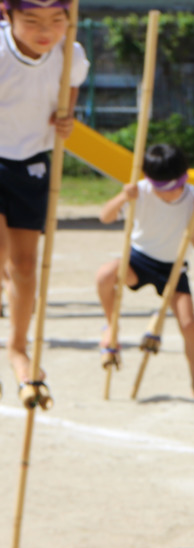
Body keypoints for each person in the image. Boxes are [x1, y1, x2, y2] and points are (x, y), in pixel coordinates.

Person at [0, 0, 88, 388]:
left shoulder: (71, 54)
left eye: (56, 20)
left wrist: (66, 116)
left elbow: (66, 98)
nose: (45, 30)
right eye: (31, 20)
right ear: (8, 16)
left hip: (31, 161)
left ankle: (18, 347)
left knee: (24, 265)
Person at [96, 144, 194, 403]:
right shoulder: (139, 191)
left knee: (188, 324)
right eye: (163, 188)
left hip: (173, 267)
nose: (170, 193)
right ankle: (111, 326)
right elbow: (105, 217)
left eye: (175, 186)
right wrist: (121, 198)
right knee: (105, 275)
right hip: (138, 260)